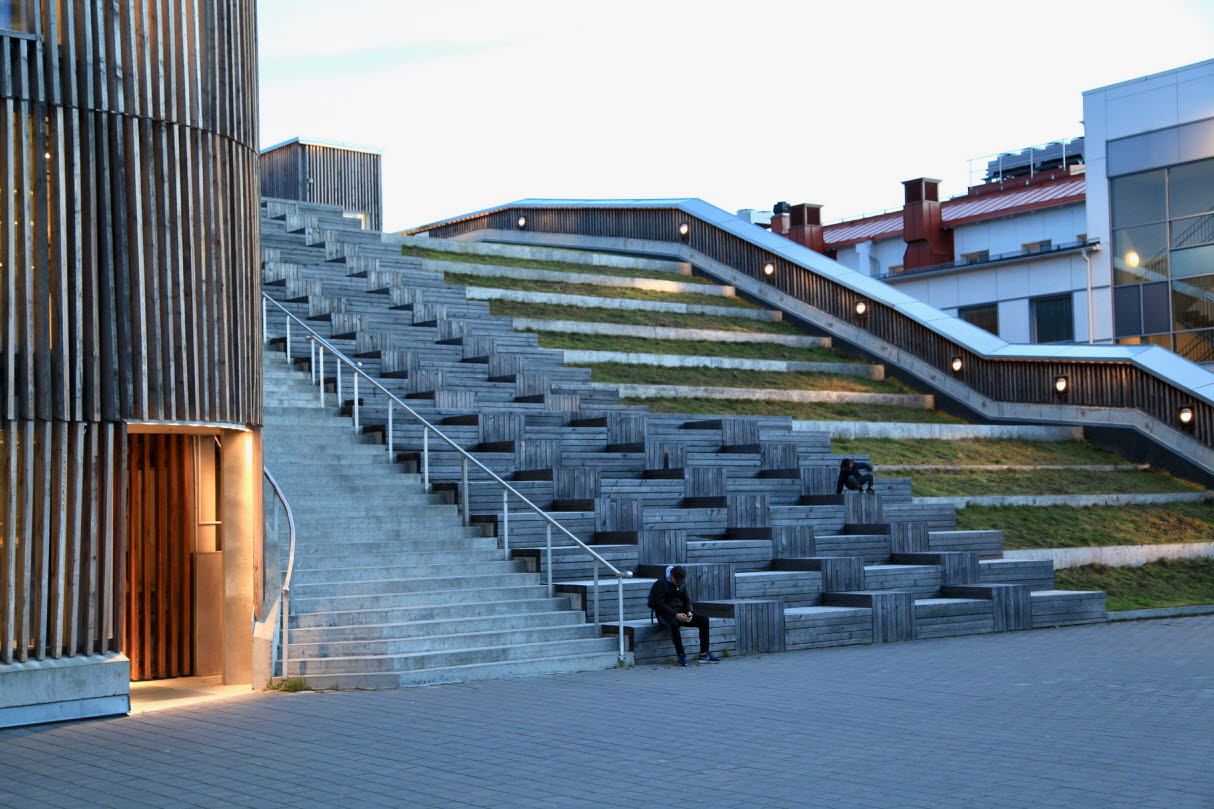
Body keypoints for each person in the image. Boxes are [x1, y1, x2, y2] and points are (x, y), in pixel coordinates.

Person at [647, 565, 720, 666]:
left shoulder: (681, 584)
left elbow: (686, 600)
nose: (679, 584)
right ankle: (681, 655)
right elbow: (660, 605)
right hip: (665, 614)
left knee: (704, 620)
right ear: (672, 576)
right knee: (673, 624)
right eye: (677, 581)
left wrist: (689, 612)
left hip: (680, 612)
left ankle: (704, 654)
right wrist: (676, 615)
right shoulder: (660, 584)